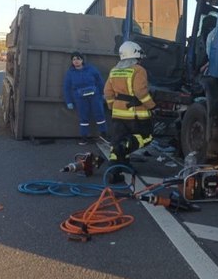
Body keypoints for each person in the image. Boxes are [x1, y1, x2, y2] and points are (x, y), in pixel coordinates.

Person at [103, 41, 156, 180]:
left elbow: (107, 92)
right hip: (136, 114)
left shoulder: (114, 70)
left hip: (117, 114)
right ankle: (124, 148)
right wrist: (152, 106)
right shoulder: (138, 70)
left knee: (118, 141)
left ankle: (118, 169)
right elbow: (140, 92)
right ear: (136, 55)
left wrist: (112, 107)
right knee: (146, 137)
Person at [62, 51, 108, 145]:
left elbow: (100, 81)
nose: (76, 61)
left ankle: (104, 135)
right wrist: (69, 101)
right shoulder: (70, 73)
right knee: (83, 117)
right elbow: (66, 88)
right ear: (72, 61)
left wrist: (103, 93)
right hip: (80, 98)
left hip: (95, 96)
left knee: (100, 115)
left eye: (78, 59)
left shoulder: (91, 69)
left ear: (82, 60)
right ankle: (84, 137)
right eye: (74, 59)